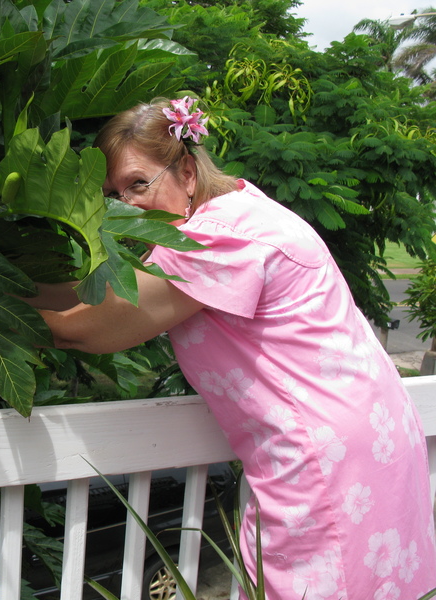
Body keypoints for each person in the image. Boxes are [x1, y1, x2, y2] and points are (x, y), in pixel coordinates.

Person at [34, 97, 436, 599]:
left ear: (185, 171)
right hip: (367, 436)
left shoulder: (213, 240)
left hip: (323, 458)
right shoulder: (239, 212)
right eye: (112, 194)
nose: (125, 204)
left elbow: (89, 328)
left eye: (138, 183)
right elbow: (91, 287)